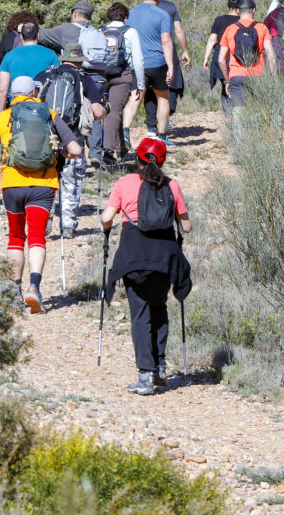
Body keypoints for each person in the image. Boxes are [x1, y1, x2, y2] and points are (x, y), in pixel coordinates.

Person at [0, 75, 81, 312]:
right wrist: (61, 155)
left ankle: (15, 291)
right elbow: (76, 150)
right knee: (37, 237)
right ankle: (34, 288)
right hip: (44, 184)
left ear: (11, 96)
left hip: (12, 184)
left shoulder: (3, 118)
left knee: (16, 237)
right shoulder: (50, 115)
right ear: (35, 92)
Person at [100, 137, 192, 396]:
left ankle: (145, 376)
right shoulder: (171, 185)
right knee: (159, 305)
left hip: (134, 254)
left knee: (140, 314)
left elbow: (107, 217)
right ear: (162, 161)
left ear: (137, 159)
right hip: (165, 256)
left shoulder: (124, 183)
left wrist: (109, 223)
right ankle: (160, 366)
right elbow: (186, 226)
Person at [37, 44, 108, 238]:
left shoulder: (44, 76)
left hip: (46, 135)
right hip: (72, 136)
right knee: (72, 179)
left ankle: (43, 224)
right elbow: (97, 111)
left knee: (47, 178)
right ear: (79, 60)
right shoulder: (84, 79)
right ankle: (68, 226)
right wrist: (106, 109)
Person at [37, 0, 110, 166]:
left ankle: (65, 146)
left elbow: (40, 35)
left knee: (74, 109)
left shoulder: (67, 29)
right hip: (99, 78)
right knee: (94, 110)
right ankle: (95, 152)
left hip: (77, 76)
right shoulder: (97, 31)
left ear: (75, 13)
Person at [127, 0, 177, 144]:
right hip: (157, 63)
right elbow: (166, 41)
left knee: (135, 98)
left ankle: (125, 133)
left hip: (135, 64)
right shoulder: (162, 14)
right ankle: (161, 137)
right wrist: (171, 65)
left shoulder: (130, 14)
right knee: (163, 98)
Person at [101, 2, 145, 163]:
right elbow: (138, 60)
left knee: (111, 111)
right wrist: (140, 84)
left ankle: (122, 150)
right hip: (122, 75)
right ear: (126, 17)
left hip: (103, 76)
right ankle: (108, 151)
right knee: (115, 112)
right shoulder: (130, 31)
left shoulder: (102, 31)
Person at [144, 0, 189, 138]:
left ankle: (152, 125)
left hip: (148, 53)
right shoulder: (170, 7)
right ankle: (165, 118)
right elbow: (178, 30)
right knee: (172, 84)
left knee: (150, 89)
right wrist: (185, 51)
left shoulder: (140, 9)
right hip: (168, 48)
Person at [217, 0, 276, 107]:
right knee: (258, 111)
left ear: (238, 11)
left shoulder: (230, 29)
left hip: (237, 76)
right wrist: (273, 79)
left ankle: (238, 125)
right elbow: (271, 56)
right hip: (257, 76)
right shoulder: (262, 28)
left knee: (238, 110)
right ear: (254, 10)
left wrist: (227, 80)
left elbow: (221, 60)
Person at [0, 23, 59, 113]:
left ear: (21, 37)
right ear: (38, 36)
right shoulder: (50, 54)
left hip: (17, 108)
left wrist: (1, 114)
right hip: (43, 109)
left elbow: (2, 90)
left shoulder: (9, 56)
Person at [0, 10, 39, 113]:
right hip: (36, 90)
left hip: (14, 90)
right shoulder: (38, 39)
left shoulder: (9, 37)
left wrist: (6, 66)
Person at [203, 0, 242, 108]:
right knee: (237, 86)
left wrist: (206, 57)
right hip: (237, 55)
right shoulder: (242, 21)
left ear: (227, 7)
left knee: (225, 85)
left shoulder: (219, 20)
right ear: (239, 9)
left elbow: (212, 39)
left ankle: (228, 114)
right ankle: (236, 112)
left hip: (221, 55)